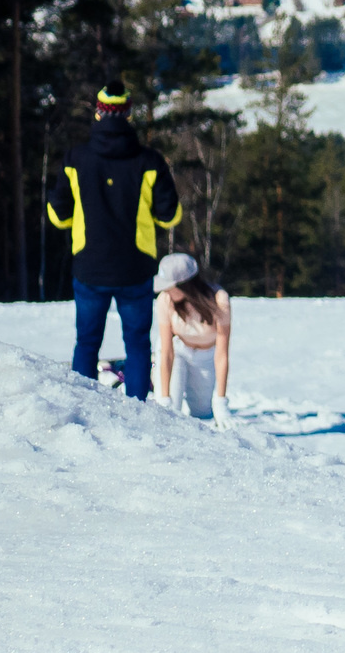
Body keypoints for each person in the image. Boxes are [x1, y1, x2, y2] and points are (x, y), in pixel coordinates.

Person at [45, 81, 184, 399]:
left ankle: (82, 406)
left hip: (89, 265)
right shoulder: (150, 161)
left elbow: (58, 216)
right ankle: (137, 410)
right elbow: (170, 216)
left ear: (98, 113)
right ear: (128, 115)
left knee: (87, 342)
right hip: (135, 268)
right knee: (137, 344)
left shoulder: (75, 159)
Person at [152, 252, 233, 425]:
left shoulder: (219, 300)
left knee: (202, 412)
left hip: (205, 357)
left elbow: (222, 354)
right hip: (178, 352)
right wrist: (165, 398)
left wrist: (220, 401)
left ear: (185, 284)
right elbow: (167, 352)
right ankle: (155, 378)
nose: (165, 290)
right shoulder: (165, 300)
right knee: (171, 410)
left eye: (169, 285)